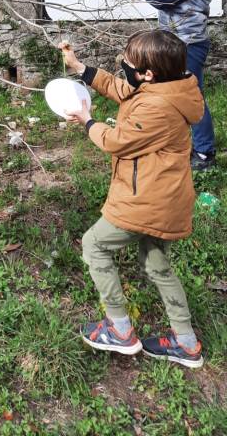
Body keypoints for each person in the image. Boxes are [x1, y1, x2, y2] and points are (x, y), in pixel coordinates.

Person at [60, 30, 205, 368]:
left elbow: (116, 141)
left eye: (128, 62)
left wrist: (87, 120)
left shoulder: (158, 107)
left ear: (148, 73)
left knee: (95, 245)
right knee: (157, 265)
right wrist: (80, 68)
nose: (122, 66)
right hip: (164, 197)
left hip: (145, 200)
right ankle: (186, 343)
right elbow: (121, 89)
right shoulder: (166, 87)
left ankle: (119, 330)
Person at [125, 0, 226, 170]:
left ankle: (204, 154)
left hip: (188, 46)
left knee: (193, 97)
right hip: (175, 45)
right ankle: (173, 140)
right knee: (168, 95)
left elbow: (165, 0)